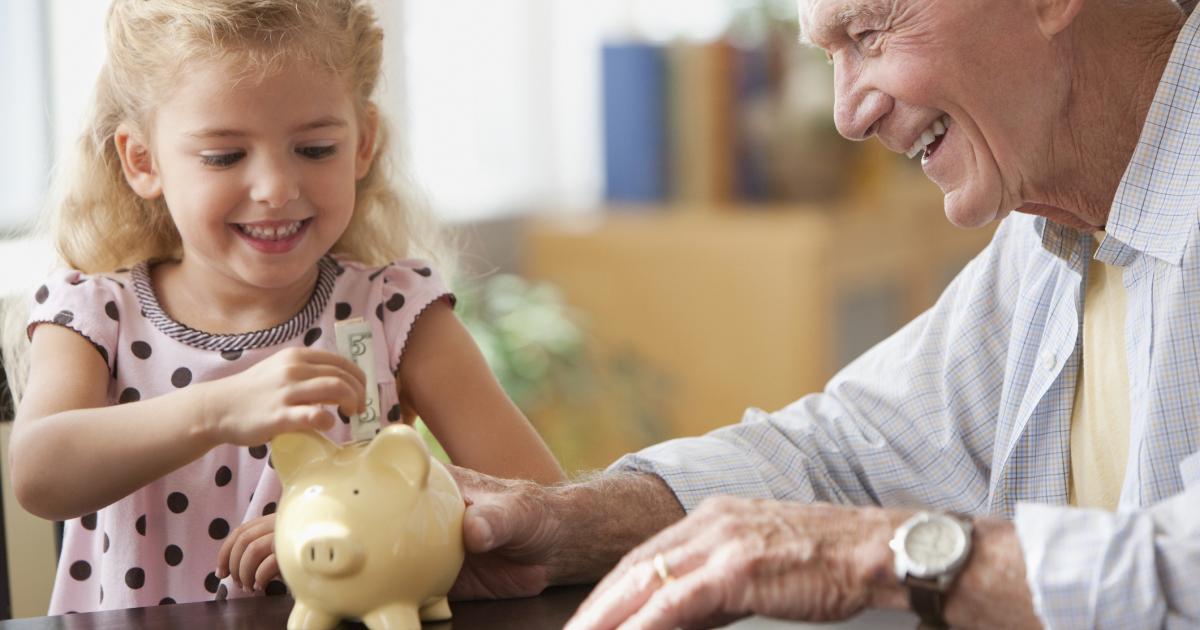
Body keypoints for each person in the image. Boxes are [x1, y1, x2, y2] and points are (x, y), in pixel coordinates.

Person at [447, 0, 1200, 628]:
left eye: (870, 34)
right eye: (829, 54)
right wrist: (578, 520)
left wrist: (872, 552)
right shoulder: (1051, 237)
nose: (847, 115)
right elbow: (848, 451)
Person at [2, 0, 565, 614]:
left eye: (316, 148)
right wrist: (219, 407)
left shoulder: (395, 311)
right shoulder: (96, 312)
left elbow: (543, 513)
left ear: (363, 143)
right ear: (143, 160)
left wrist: (361, 524)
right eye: (224, 156)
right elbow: (40, 472)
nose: (275, 188)